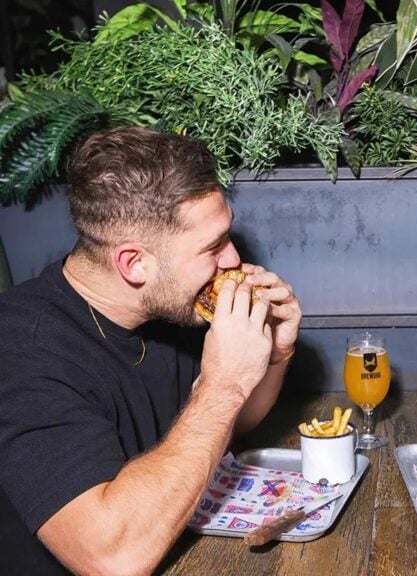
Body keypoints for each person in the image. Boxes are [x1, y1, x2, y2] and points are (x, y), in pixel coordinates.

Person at [0, 127, 302, 574]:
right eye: (212, 246)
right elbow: (112, 560)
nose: (234, 259)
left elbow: (225, 429)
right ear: (134, 263)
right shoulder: (23, 354)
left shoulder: (167, 307)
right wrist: (224, 383)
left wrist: (274, 354)